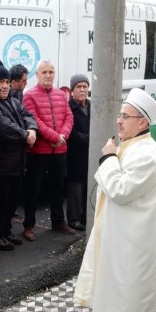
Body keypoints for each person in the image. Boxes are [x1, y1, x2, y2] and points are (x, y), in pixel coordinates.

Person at [73, 88, 156, 312]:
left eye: (126, 116)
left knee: (130, 298)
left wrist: (108, 159)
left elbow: (121, 190)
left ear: (143, 122)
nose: (119, 120)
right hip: (119, 235)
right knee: (115, 291)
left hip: (134, 242)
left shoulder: (147, 155)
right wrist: (113, 157)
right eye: (120, 115)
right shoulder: (132, 145)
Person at [0, 60, 38, 251]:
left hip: (17, 161)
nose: (5, 86)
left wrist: (32, 129)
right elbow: (3, 126)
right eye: (0, 82)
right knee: (0, 201)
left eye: (7, 82)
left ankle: (6, 231)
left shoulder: (13, 100)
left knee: (12, 200)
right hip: (1, 163)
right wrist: (25, 135)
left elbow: (28, 115)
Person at [22, 59, 75, 240]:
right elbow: (34, 120)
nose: (48, 75)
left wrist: (62, 136)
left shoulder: (60, 94)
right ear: (37, 75)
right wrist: (54, 137)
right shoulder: (29, 95)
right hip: (39, 152)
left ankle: (58, 222)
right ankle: (28, 225)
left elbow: (69, 117)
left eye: (51, 72)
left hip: (59, 150)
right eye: (44, 72)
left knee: (58, 188)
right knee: (33, 190)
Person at [66, 73, 91, 231]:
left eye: (85, 86)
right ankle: (73, 219)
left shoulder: (92, 106)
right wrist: (91, 139)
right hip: (74, 154)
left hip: (89, 153)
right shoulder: (69, 108)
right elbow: (71, 133)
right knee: (75, 187)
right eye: (79, 87)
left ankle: (86, 217)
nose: (82, 90)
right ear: (72, 90)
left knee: (88, 186)